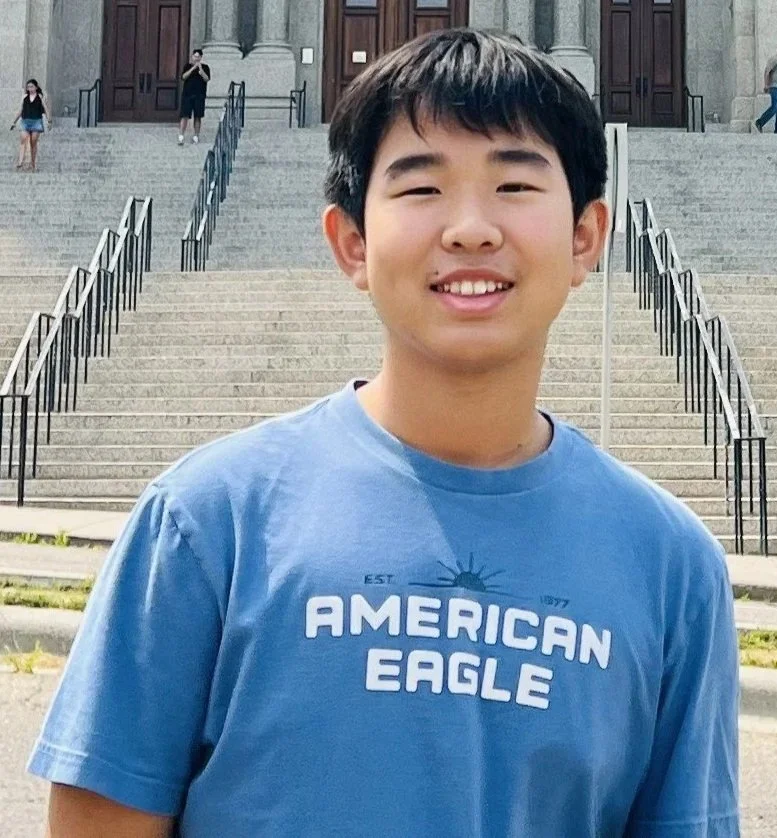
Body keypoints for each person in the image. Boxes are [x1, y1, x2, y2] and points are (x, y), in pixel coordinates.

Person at [28, 29, 740, 837]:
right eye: (420, 188)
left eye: (513, 184)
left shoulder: (671, 566)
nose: (470, 229)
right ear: (351, 242)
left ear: (585, 237)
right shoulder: (206, 523)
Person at [9, 79, 50, 171]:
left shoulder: (40, 97)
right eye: (28, 87)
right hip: (25, 121)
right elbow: (20, 110)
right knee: (23, 140)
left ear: (36, 87)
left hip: (36, 121)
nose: (29, 89)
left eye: (31, 86)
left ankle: (33, 162)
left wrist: (49, 120)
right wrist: (14, 122)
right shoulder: (24, 97)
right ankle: (20, 161)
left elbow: (45, 109)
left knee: (33, 142)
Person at [755, 44, 777, 134]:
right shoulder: (774, 60)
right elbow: (767, 71)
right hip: (775, 87)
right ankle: (760, 122)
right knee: (775, 106)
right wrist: (766, 85)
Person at [178, 48, 210, 145]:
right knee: (185, 116)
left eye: (198, 57)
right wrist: (193, 68)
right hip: (187, 95)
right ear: (192, 57)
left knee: (198, 116)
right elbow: (183, 77)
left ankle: (196, 135)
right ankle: (181, 136)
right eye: (195, 56)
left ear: (201, 57)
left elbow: (207, 79)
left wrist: (200, 69)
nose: (196, 58)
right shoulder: (187, 66)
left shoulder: (205, 67)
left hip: (199, 95)